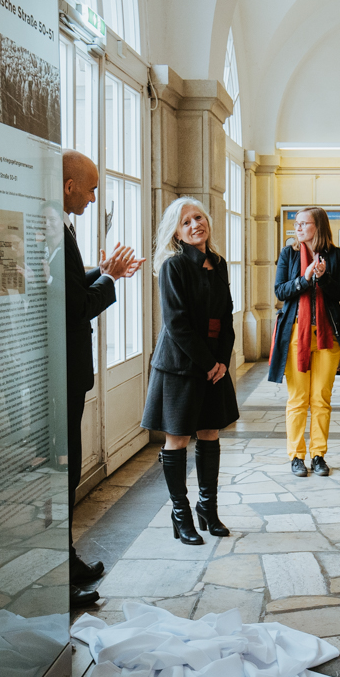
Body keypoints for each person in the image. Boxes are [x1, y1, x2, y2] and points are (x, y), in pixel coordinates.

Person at [62, 150, 143, 607]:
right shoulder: (53, 225)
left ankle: (66, 558)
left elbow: (73, 287)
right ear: (70, 185)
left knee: (69, 471)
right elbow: (76, 306)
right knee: (66, 470)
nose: (94, 198)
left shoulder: (62, 223)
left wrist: (102, 271)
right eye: (91, 188)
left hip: (70, 373)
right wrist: (107, 278)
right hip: (62, 370)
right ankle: (60, 573)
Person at [144, 197, 240, 545]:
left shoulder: (219, 263)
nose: (195, 224)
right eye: (186, 222)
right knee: (178, 438)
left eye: (198, 217)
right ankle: (181, 514)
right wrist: (209, 363)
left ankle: (207, 509)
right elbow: (177, 324)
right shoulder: (173, 267)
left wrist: (223, 361)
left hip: (214, 364)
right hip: (182, 366)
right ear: (177, 233)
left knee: (210, 433)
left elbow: (227, 317)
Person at [268, 207, 340, 477]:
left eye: (305, 223)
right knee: (298, 398)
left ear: (319, 226)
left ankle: (318, 455)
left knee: (321, 398)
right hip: (296, 334)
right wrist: (305, 278)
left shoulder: (336, 255)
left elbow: (339, 292)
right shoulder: (289, 253)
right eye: (297, 223)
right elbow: (281, 291)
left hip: (328, 335)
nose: (299, 227)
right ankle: (296, 456)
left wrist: (323, 276)